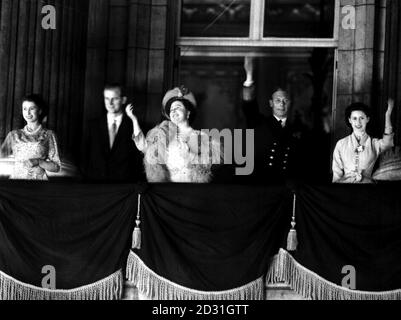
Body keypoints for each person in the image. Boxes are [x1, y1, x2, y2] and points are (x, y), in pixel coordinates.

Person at [126, 86, 221, 183]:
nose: (174, 111)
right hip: (166, 191)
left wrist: (190, 155)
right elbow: (142, 146)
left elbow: (211, 166)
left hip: (192, 191)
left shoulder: (202, 137)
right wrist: (134, 119)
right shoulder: (161, 135)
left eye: (178, 107)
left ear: (188, 113)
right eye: (171, 109)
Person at [242, 57, 305, 183]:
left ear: (290, 103)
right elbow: (249, 105)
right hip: (262, 184)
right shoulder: (259, 123)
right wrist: (249, 77)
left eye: (285, 101)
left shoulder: (298, 129)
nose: (281, 104)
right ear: (271, 103)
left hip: (287, 186)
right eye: (277, 101)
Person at [82, 84, 143, 182]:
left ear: (123, 100)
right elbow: (84, 156)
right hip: (95, 185)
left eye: (114, 99)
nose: (110, 103)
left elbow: (138, 159)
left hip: (125, 187)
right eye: (107, 98)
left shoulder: (134, 126)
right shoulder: (92, 125)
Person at [332, 99, 395, 183]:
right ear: (350, 120)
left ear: (367, 119)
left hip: (367, 189)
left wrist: (388, 115)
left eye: (361, 118)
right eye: (354, 118)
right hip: (345, 188)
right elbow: (336, 174)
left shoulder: (374, 143)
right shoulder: (341, 144)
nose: (358, 122)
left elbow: (387, 142)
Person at [0, 94, 61, 180]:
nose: (27, 113)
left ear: (39, 111)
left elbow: (56, 167)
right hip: (16, 182)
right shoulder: (14, 135)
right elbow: (1, 154)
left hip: (38, 184)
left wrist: (39, 162)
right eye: (24, 109)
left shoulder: (49, 135)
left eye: (31, 108)